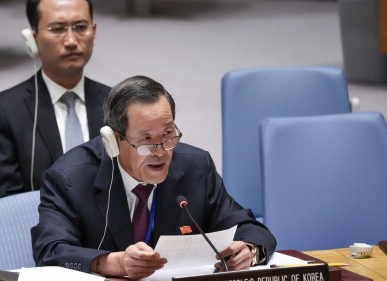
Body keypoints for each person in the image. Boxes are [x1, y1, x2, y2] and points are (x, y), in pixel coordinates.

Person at [31, 75, 277, 280]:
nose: (161, 152)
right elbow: (50, 250)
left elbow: (248, 227)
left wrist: (250, 250)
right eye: (146, 140)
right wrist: (110, 263)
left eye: (168, 134)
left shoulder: (195, 166)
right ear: (114, 140)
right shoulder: (69, 178)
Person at [0, 0, 110, 205]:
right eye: (57, 29)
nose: (71, 40)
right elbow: (0, 204)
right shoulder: (4, 111)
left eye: (81, 27)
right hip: (37, 232)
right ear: (32, 37)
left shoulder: (117, 103)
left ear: (94, 32)